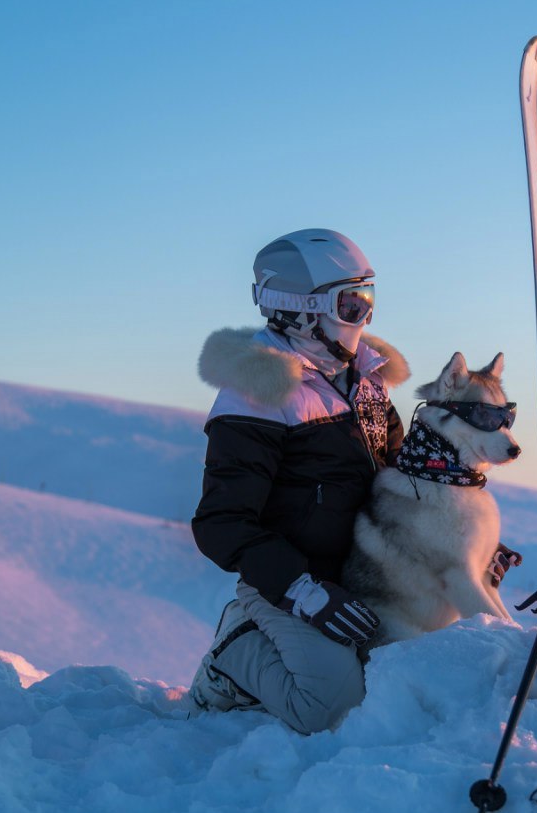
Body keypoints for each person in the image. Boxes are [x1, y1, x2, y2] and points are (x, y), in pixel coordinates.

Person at [186, 228, 409, 734]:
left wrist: (457, 532)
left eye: (366, 302)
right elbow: (222, 523)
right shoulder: (258, 395)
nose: (364, 320)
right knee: (333, 708)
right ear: (299, 309)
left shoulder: (367, 381)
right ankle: (235, 653)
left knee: (407, 672)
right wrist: (303, 592)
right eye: (350, 305)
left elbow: (400, 477)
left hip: (363, 571)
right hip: (293, 583)